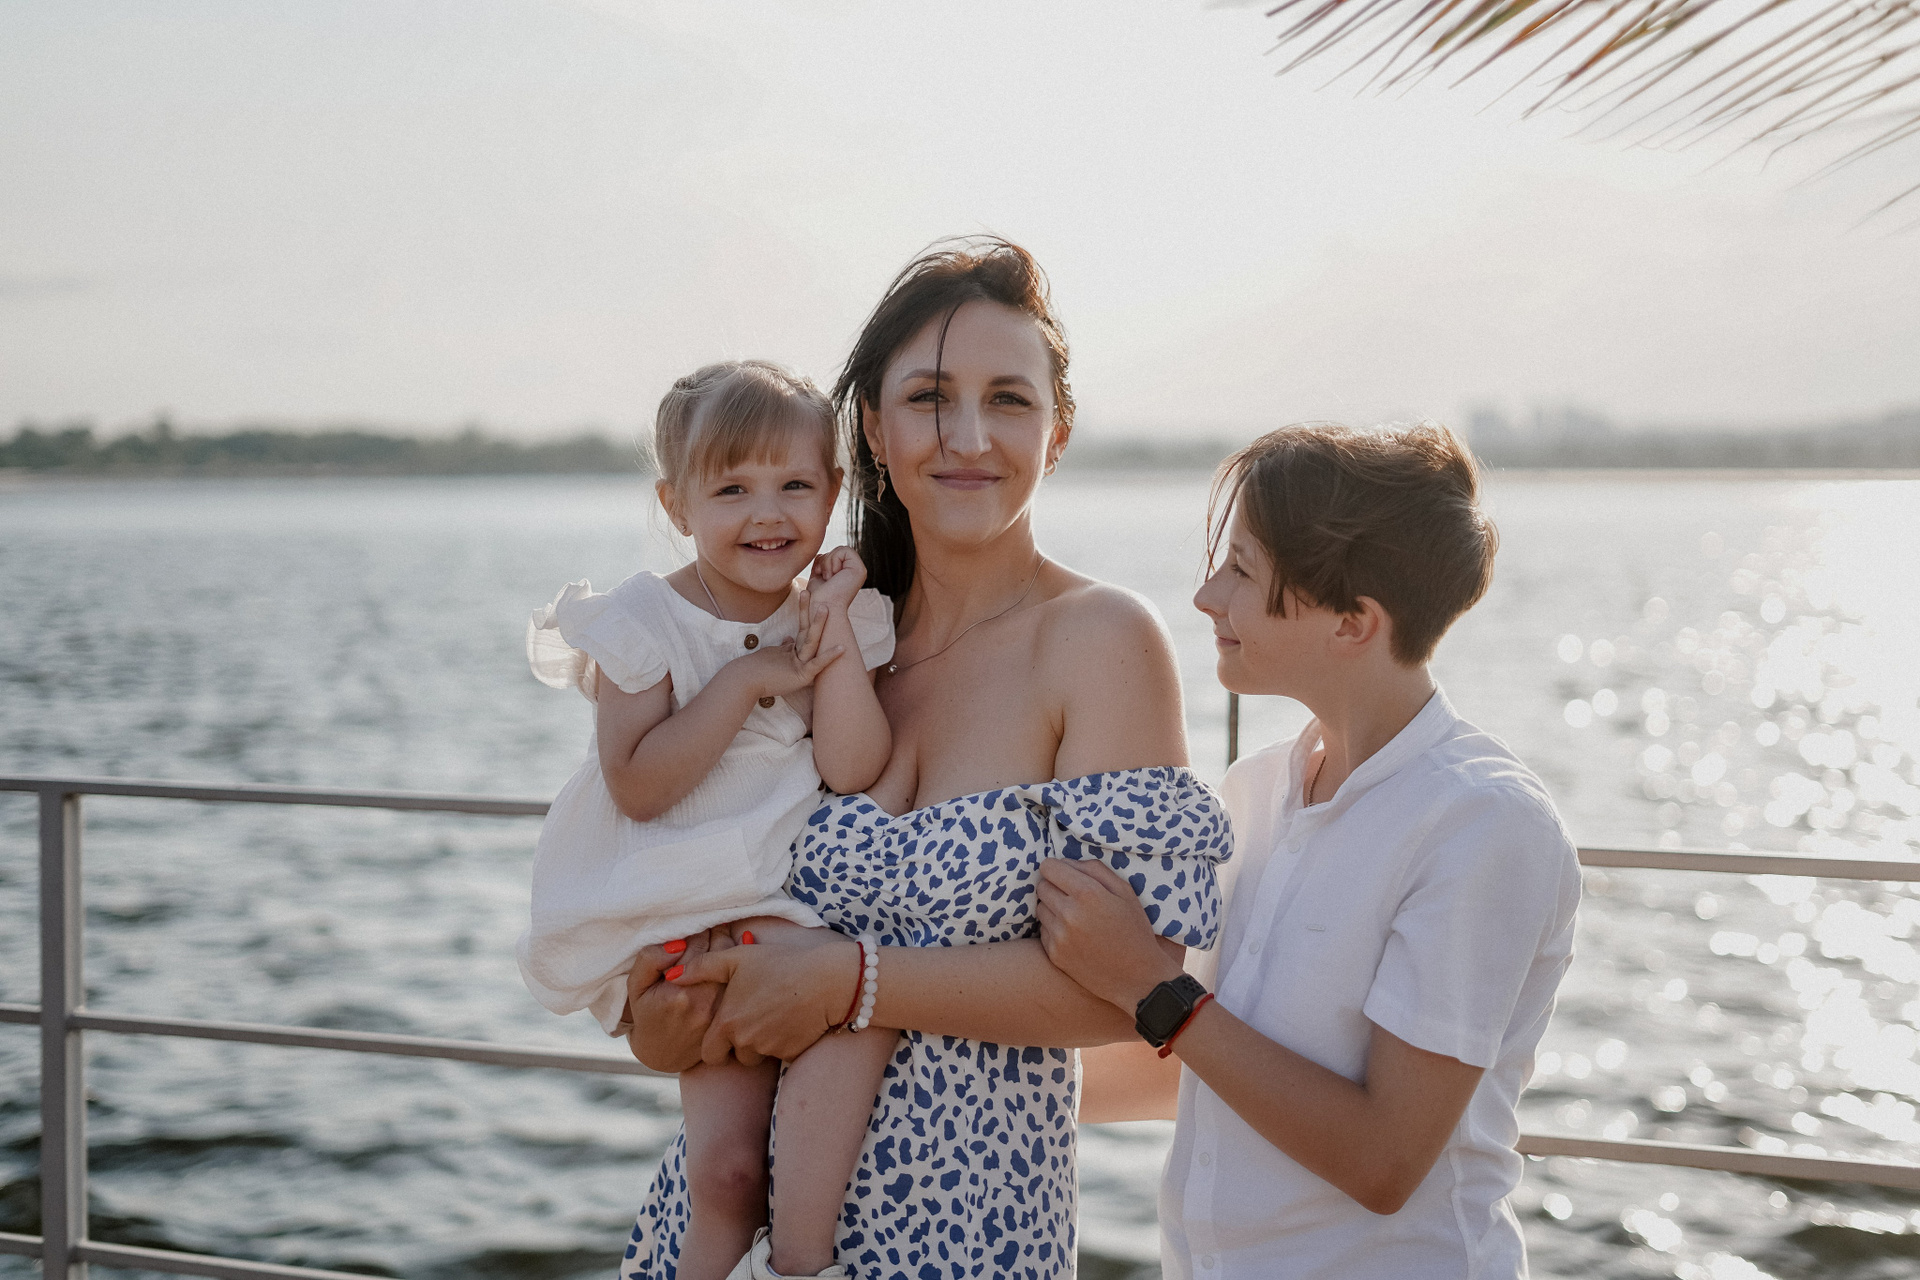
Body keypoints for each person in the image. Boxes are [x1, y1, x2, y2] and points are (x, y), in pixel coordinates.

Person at [614, 238, 1233, 1280]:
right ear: (873, 427)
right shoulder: (819, 637)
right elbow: (702, 931)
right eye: (930, 398)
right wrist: (666, 1017)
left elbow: (1127, 991)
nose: (969, 437)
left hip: (966, 1230)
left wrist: (850, 980)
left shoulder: (1100, 640)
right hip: (723, 1230)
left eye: (1009, 401)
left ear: (1057, 433)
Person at [1035, 422, 1582, 1279]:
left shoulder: (1485, 826)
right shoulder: (1256, 791)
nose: (1206, 596)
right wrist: (956, 1081)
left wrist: (1146, 983)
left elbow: (1382, 1161)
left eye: (1242, 571)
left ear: (1354, 623)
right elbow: (1201, 1065)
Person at [520, 359, 903, 1280]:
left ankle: (802, 1263)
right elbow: (639, 785)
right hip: (675, 905)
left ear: (833, 493)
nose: (767, 514)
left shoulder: (833, 617)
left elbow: (853, 767)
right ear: (678, 503)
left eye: (794, 486)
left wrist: (831, 630)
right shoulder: (644, 622)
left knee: (797, 1131)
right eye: (732, 489)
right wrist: (746, 681)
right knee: (726, 1178)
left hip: (777, 908)